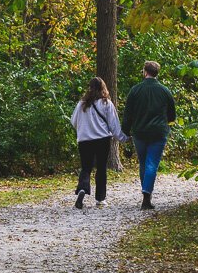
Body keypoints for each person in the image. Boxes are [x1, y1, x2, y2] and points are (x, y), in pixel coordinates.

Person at [123, 60, 177, 209]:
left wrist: (125, 132)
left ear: (145, 72)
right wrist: (168, 123)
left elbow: (128, 114)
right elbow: (172, 114)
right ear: (156, 73)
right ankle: (147, 195)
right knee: (152, 163)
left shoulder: (135, 90)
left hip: (140, 132)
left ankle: (146, 195)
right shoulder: (164, 91)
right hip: (158, 133)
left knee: (143, 162)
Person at [70, 76, 126, 209]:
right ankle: (100, 199)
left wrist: (84, 129)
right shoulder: (106, 103)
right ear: (103, 88)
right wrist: (123, 138)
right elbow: (114, 125)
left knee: (86, 167)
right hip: (102, 140)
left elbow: (73, 121)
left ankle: (83, 188)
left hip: (84, 141)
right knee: (101, 168)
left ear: (89, 88)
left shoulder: (81, 104)